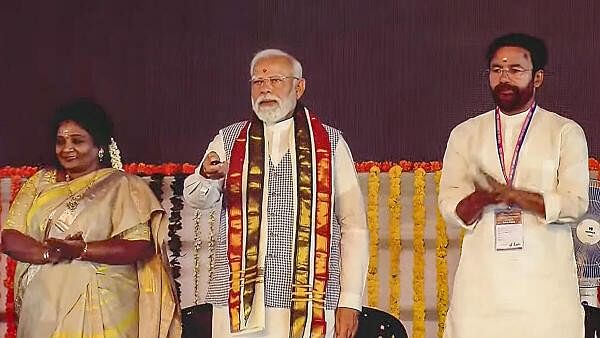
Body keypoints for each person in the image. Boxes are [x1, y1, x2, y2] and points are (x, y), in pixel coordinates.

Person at [183, 49, 369, 338]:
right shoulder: (230, 138)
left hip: (311, 299)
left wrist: (351, 300)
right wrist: (206, 176)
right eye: (257, 82)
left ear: (299, 86)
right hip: (238, 302)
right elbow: (196, 198)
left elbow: (354, 226)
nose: (265, 88)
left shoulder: (331, 143)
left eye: (276, 80)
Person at [439, 33, 589, 337]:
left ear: (537, 78)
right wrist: (482, 198)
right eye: (496, 70)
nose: (503, 78)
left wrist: (514, 195)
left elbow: (575, 203)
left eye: (515, 70)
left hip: (546, 297)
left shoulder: (565, 132)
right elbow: (449, 207)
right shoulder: (465, 134)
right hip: (481, 294)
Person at [1, 98, 181, 337]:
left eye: (77, 141)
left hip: (105, 302)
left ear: (99, 146)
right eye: (61, 141)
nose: (67, 149)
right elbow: (10, 236)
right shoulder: (40, 182)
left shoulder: (123, 185)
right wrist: (47, 253)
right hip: (43, 302)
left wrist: (80, 250)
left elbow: (139, 245)